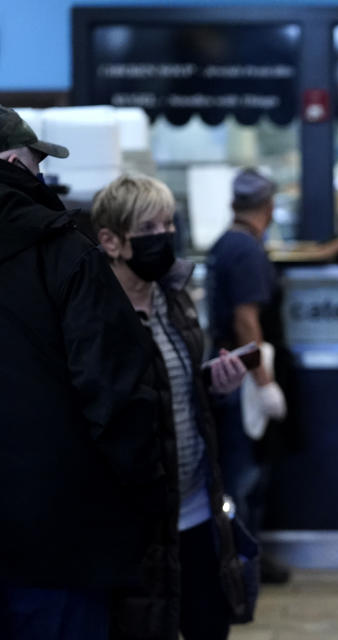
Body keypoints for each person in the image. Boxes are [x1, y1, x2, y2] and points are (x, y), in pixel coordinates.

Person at [0, 106, 161, 639]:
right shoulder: (65, 256)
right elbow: (117, 398)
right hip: (58, 545)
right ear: (10, 163)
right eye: (34, 163)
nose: (42, 176)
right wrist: (143, 505)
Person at [92, 173, 253, 639]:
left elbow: (180, 391)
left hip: (198, 506)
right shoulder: (94, 314)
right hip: (136, 521)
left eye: (168, 225)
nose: (163, 238)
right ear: (112, 241)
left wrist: (217, 386)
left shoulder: (176, 300)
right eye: (149, 229)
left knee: (208, 624)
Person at [206, 168, 338, 583]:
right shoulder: (245, 252)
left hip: (237, 375)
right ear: (270, 207)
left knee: (248, 472)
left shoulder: (233, 244)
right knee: (244, 475)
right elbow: (246, 322)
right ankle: (237, 564)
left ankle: (248, 559)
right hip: (244, 380)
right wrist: (265, 383)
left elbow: (299, 257)